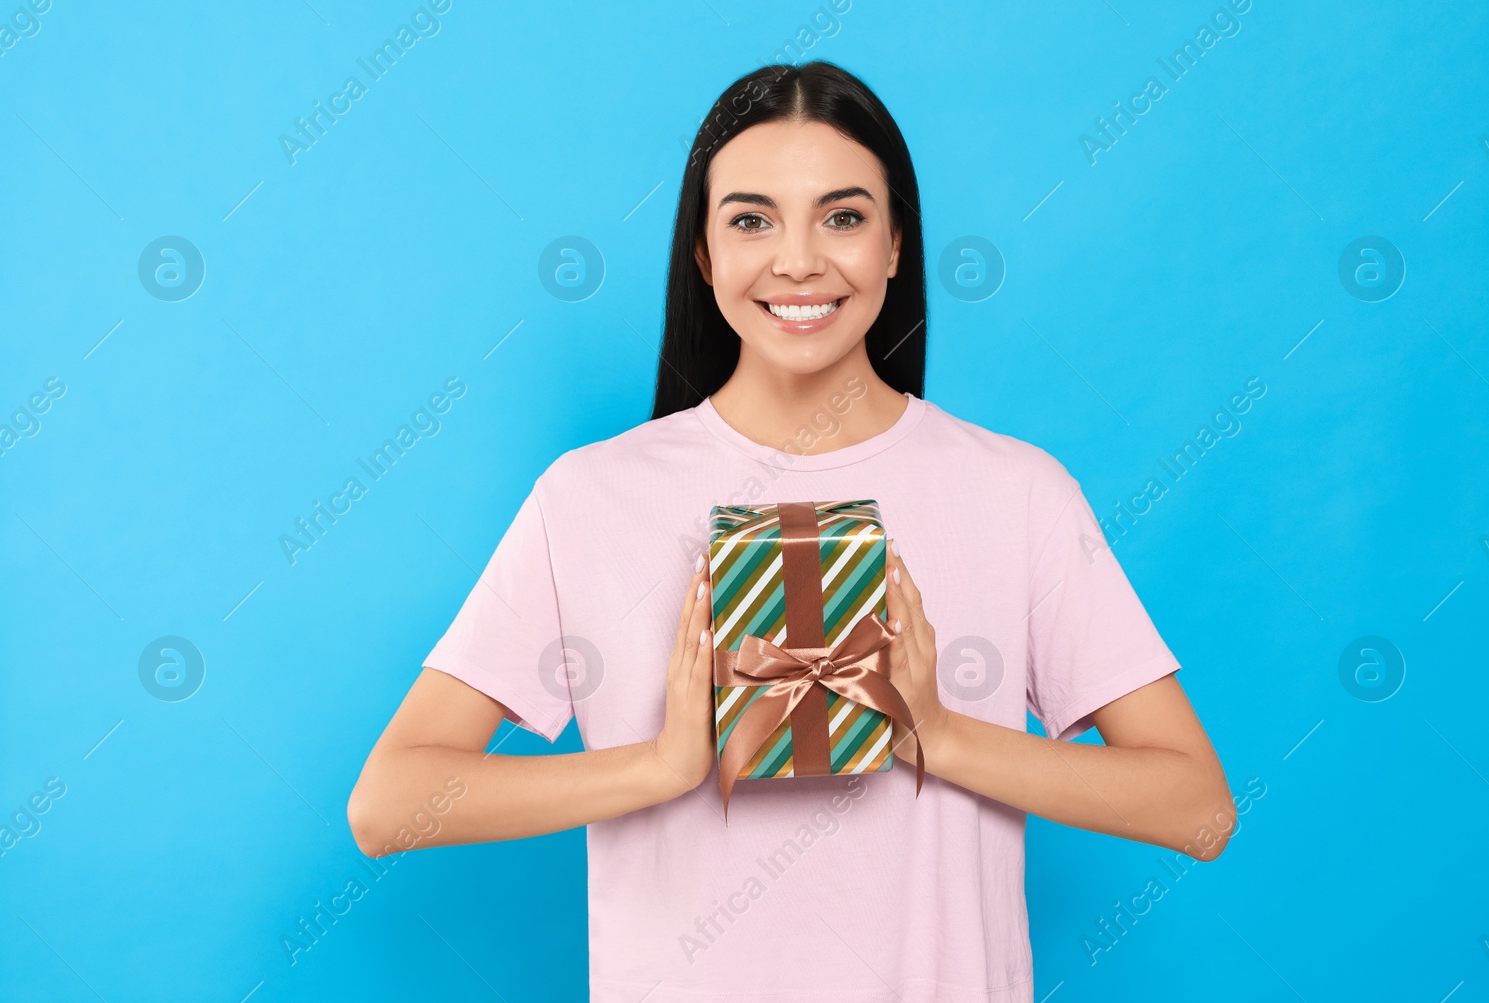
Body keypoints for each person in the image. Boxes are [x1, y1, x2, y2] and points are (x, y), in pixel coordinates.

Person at [348, 60, 1233, 1002]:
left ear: (897, 244)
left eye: (844, 217)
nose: (799, 260)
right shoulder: (590, 497)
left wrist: (938, 733)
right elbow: (390, 803)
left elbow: (1197, 808)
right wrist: (658, 767)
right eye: (751, 219)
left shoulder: (1016, 492)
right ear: (703, 253)